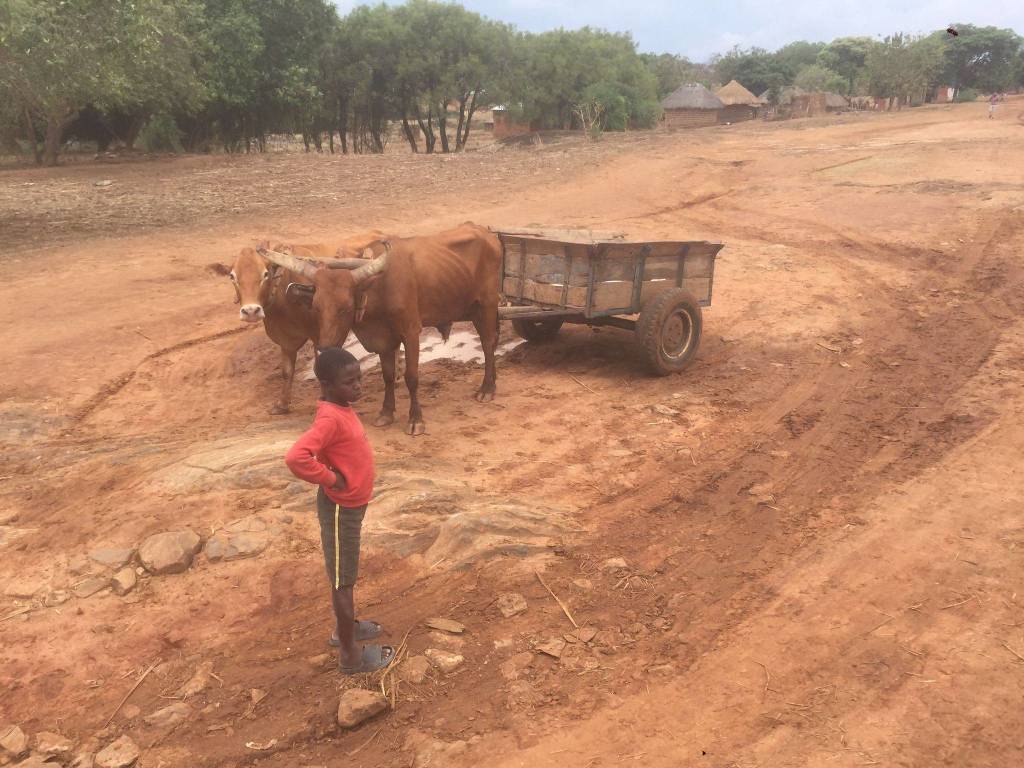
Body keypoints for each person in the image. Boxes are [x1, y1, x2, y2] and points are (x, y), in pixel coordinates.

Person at [284, 346, 394, 674]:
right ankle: (350, 655)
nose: (358, 386)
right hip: (339, 511)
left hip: (350, 507)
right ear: (327, 384)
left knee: (345, 576)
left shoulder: (342, 407)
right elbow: (296, 457)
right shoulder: (331, 417)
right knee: (342, 582)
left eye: (359, 379)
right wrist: (330, 478)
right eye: (350, 382)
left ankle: (347, 628)